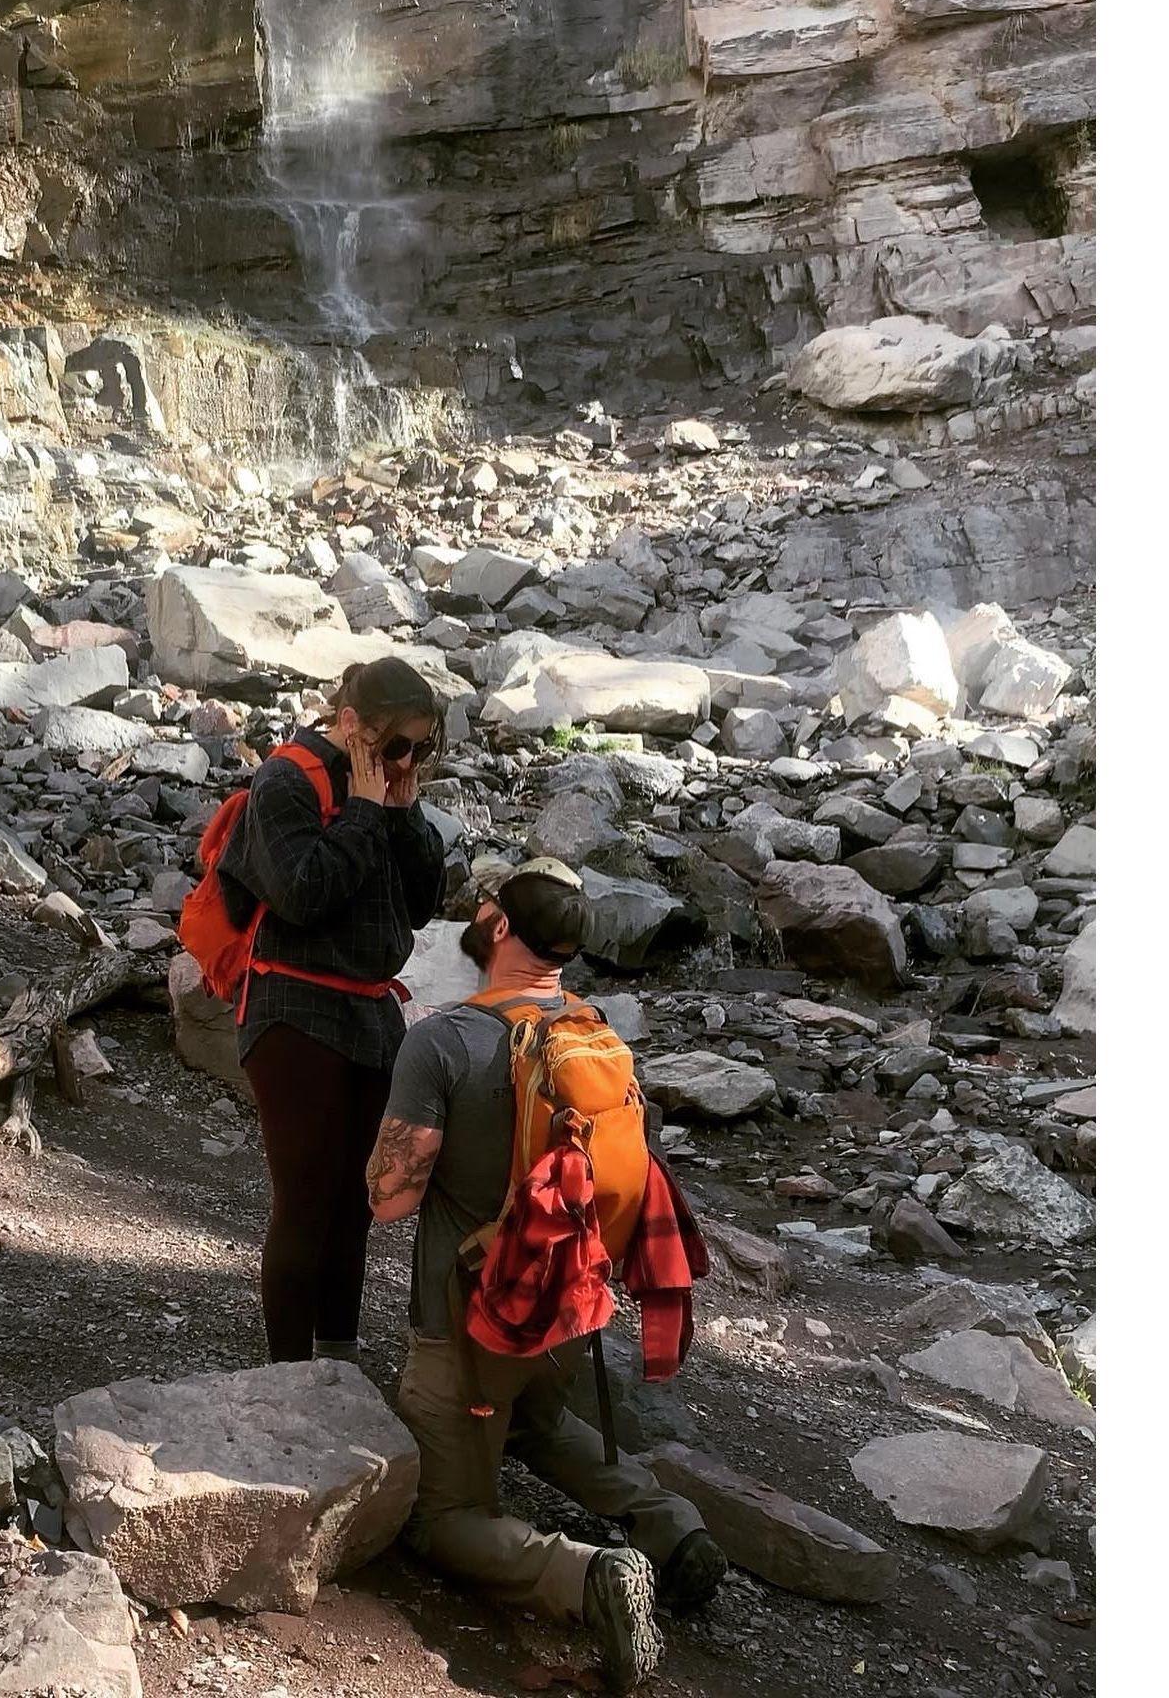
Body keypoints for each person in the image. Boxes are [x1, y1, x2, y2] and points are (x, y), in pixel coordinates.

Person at [366, 859, 727, 1693]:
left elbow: (389, 1201)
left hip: (471, 1320)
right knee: (536, 1421)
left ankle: (585, 1576)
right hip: (571, 1306)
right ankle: (672, 1525)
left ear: (497, 928)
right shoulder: (599, 1038)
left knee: (440, 1517)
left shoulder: (443, 1040)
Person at [217, 656, 448, 1365]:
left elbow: (422, 903)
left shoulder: (388, 790)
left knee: (357, 1202)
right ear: (351, 724)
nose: (408, 760)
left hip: (371, 1015)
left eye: (424, 747)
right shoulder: (287, 781)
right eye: (396, 745)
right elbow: (304, 893)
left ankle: (339, 1363)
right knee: (306, 1199)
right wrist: (366, 814)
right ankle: (288, 1375)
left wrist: (403, 814)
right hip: (294, 1009)